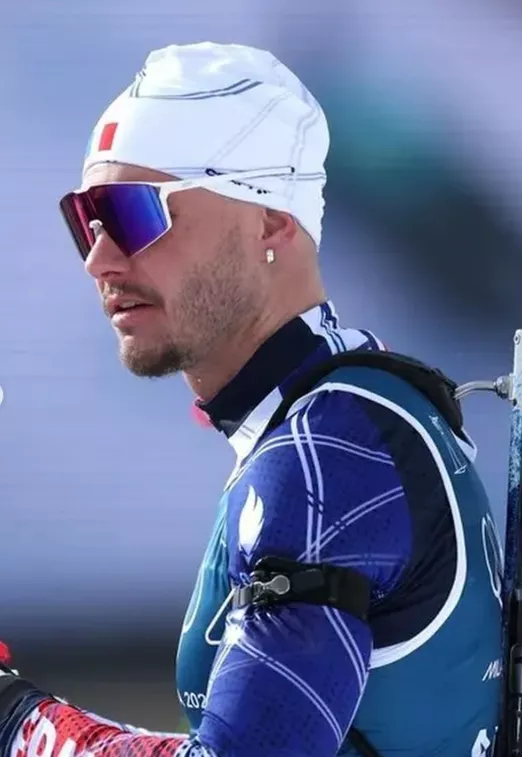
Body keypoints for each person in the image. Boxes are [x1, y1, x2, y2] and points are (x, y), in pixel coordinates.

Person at [0, 41, 504, 757]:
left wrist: (16, 719)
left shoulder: (326, 452)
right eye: (86, 219)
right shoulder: (346, 414)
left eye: (135, 213)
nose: (99, 259)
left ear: (271, 219)